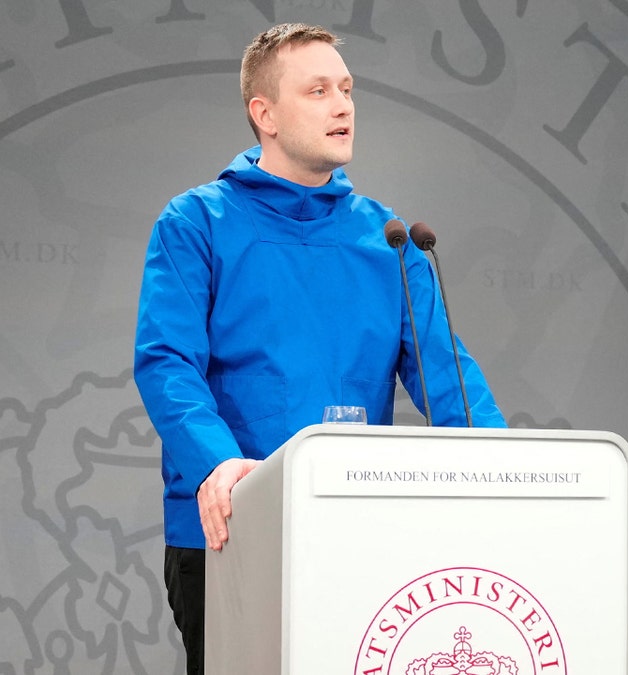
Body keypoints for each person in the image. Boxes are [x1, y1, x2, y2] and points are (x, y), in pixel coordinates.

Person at [132, 23, 506, 675]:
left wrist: (504, 472)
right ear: (265, 114)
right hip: (232, 528)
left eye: (347, 89)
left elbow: (448, 374)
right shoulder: (196, 222)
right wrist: (219, 464)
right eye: (318, 91)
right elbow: (167, 363)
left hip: (357, 527)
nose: (343, 106)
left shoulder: (389, 238)